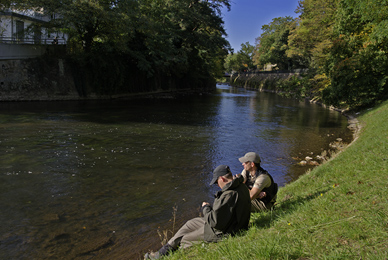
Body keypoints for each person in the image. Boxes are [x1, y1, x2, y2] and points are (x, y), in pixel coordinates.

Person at [144, 165, 251, 259]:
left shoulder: (228, 195)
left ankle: (173, 254)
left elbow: (215, 223)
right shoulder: (240, 186)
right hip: (229, 223)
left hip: (225, 232)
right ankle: (162, 251)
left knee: (184, 239)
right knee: (190, 223)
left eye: (216, 182)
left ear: (222, 178)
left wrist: (206, 208)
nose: (217, 185)